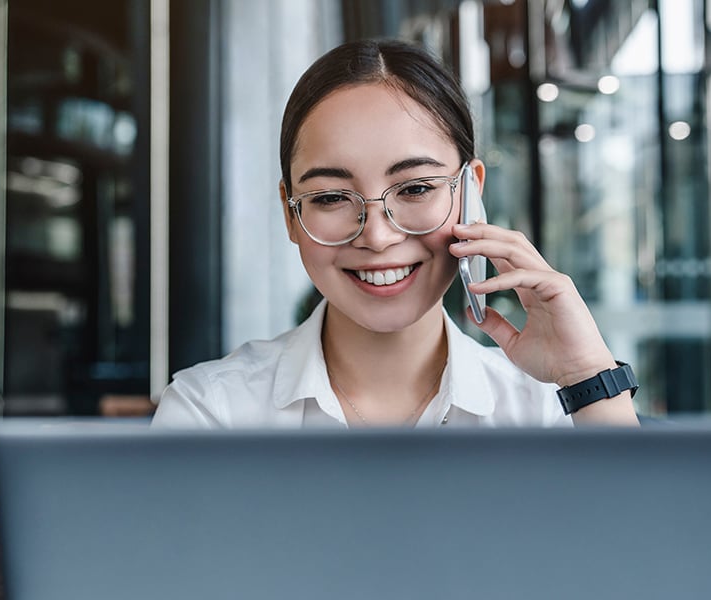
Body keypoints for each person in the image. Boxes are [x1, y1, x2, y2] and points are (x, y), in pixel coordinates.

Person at [152, 39, 639, 429]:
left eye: (416, 188)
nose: (379, 237)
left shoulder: (547, 410)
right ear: (290, 212)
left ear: (471, 191)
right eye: (330, 197)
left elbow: (641, 550)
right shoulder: (212, 415)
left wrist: (587, 375)